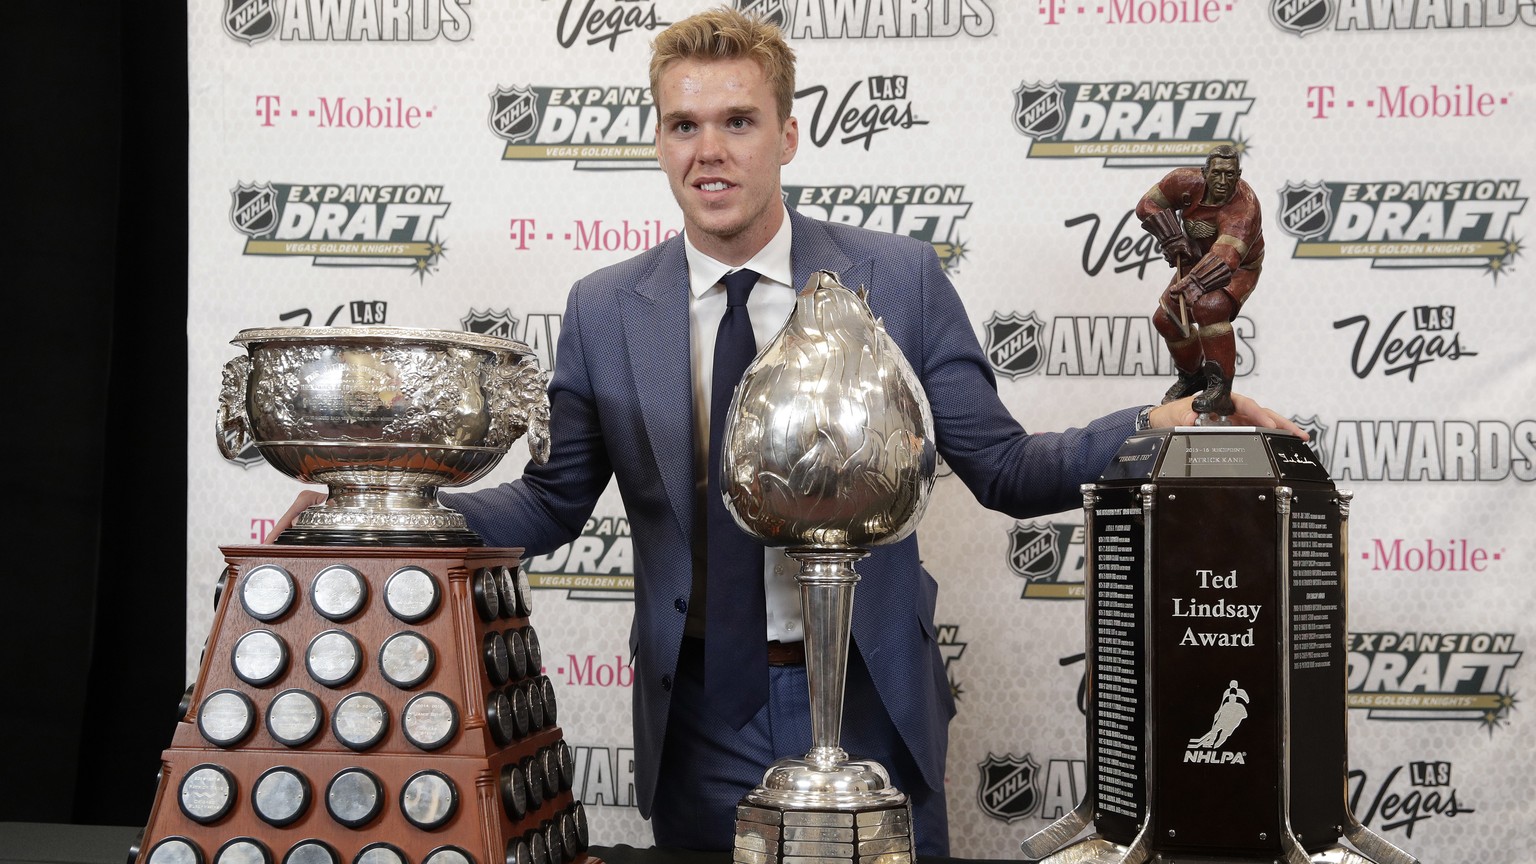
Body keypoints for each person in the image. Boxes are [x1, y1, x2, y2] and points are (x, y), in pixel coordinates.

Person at [273, 7, 1302, 855]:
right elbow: (550, 503)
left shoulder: (895, 278)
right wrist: (385, 517)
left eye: (737, 121)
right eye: (683, 126)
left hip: (871, 701)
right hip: (700, 711)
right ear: (658, 137)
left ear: (789, 133)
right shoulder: (603, 308)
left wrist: (1162, 423)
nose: (709, 151)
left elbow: (1001, 465)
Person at [1136, 144, 1264, 417]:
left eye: (1230, 175)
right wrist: (1172, 238)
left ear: (1238, 175)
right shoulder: (1183, 181)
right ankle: (1193, 376)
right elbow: (1147, 205)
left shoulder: (1245, 208)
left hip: (1239, 267)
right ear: (1205, 172)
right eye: (1217, 173)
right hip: (1198, 259)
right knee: (1166, 319)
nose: (1222, 181)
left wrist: (1194, 283)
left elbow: (1227, 258)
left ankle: (1220, 389)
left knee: (1210, 306)